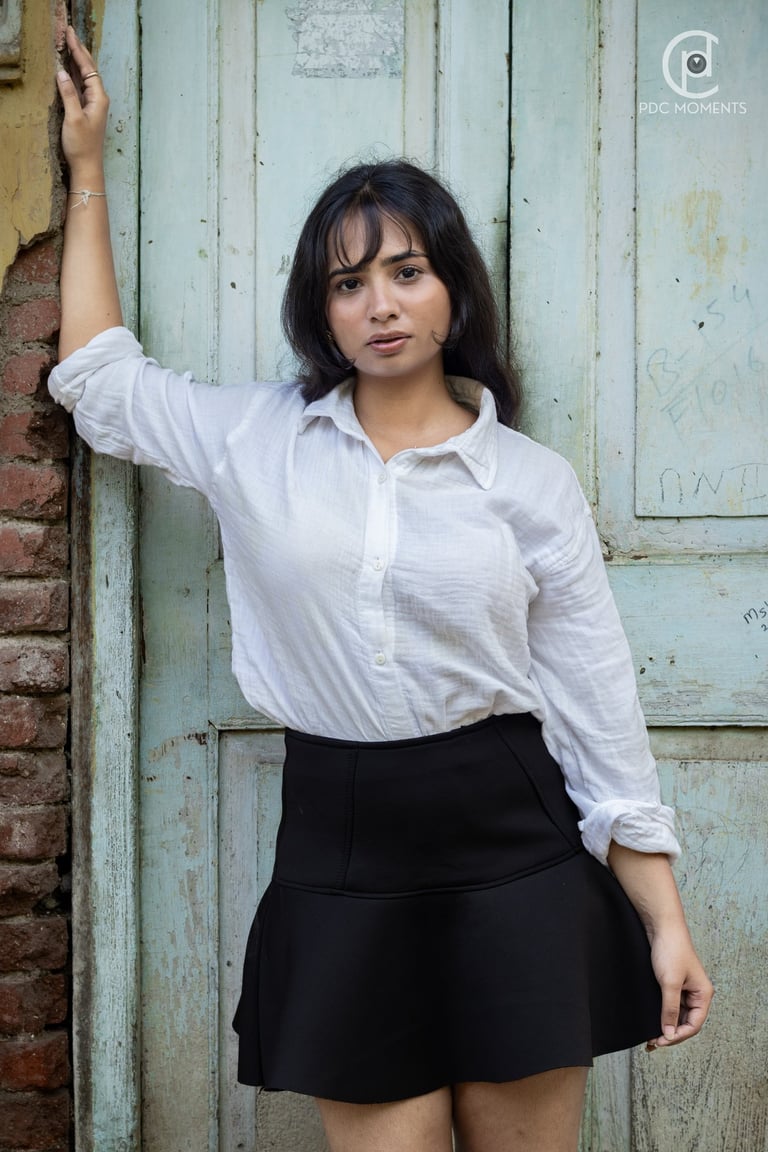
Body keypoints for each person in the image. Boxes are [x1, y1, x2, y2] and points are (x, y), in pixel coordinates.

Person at [54, 26, 713, 1152]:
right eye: (348, 284)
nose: (381, 305)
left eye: (407, 272)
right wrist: (88, 172)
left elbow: (601, 717)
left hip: (514, 841)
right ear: (323, 311)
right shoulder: (258, 440)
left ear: (453, 286)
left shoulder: (529, 484)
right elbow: (99, 380)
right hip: (341, 841)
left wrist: (666, 923)